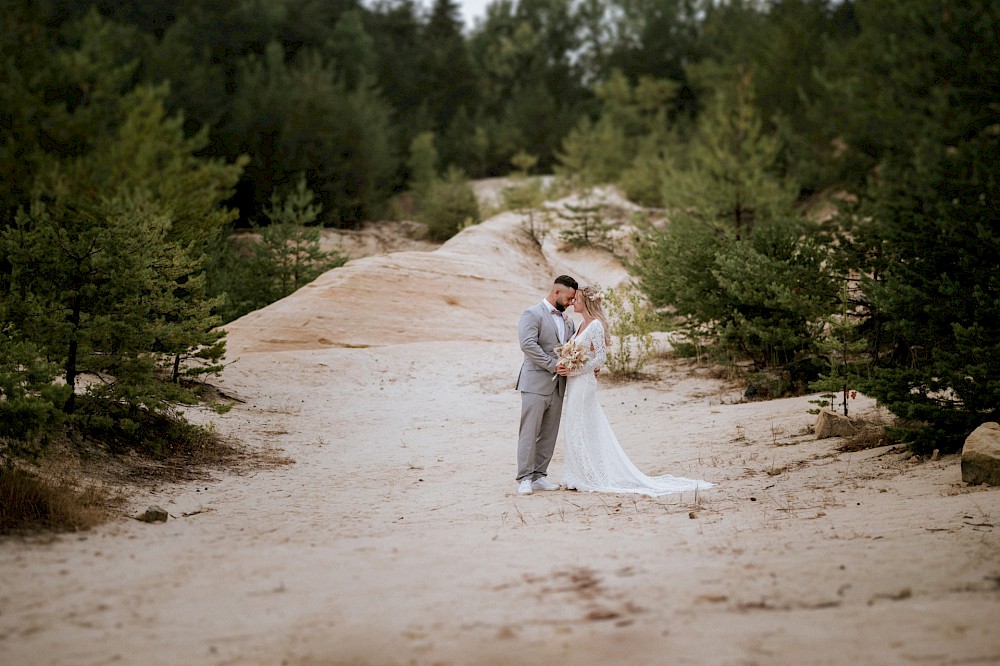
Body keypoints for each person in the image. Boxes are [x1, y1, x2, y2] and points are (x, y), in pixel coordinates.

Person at [560, 285, 715, 496]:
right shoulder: (581, 324)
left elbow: (600, 357)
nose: (572, 302)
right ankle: (577, 475)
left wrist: (574, 368)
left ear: (586, 302)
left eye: (576, 299)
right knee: (575, 426)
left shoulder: (595, 325)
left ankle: (587, 476)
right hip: (575, 381)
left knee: (577, 426)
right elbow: (587, 355)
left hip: (584, 382)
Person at [515, 275, 578, 495]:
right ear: (557, 292)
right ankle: (524, 478)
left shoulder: (568, 321)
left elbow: (573, 348)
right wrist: (553, 365)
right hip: (535, 383)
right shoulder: (532, 313)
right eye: (569, 298)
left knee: (549, 434)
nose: (571, 303)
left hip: (559, 386)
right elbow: (528, 344)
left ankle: (539, 476)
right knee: (529, 432)